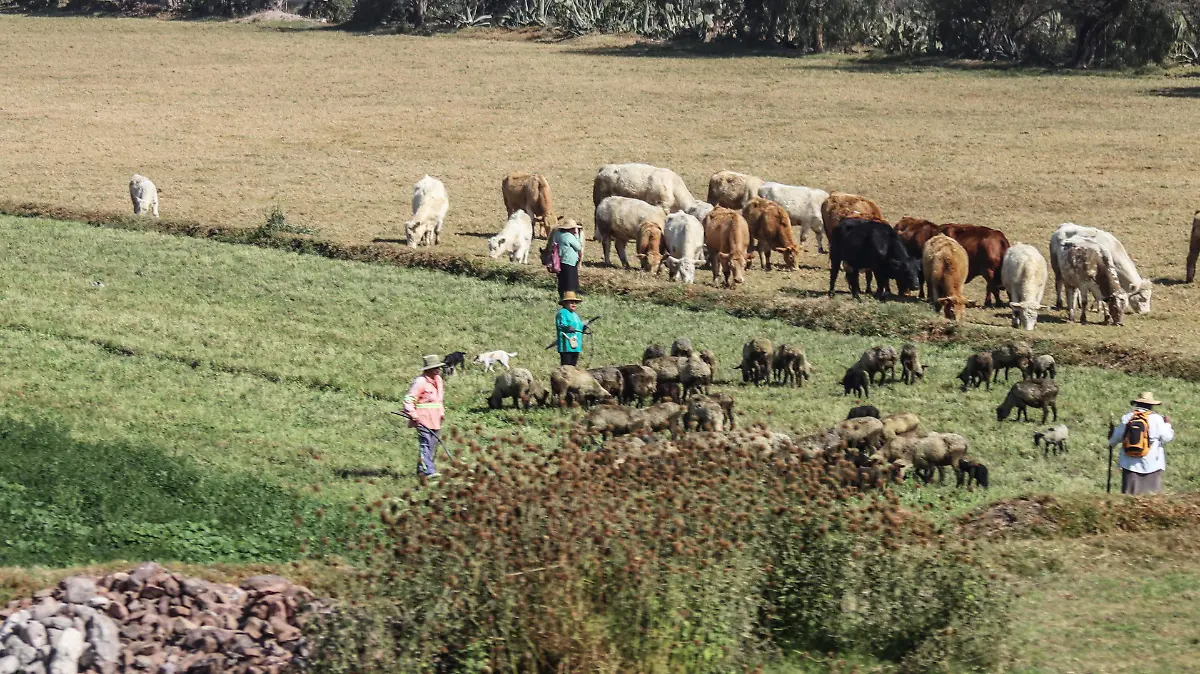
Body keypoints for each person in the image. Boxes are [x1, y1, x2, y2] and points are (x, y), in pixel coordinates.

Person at [1108, 391, 1174, 495]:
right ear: (1151, 405)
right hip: (1153, 465)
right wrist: (1167, 425)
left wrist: (1111, 438)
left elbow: (1114, 440)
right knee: (1152, 500)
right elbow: (1167, 437)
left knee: (1129, 499)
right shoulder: (1157, 419)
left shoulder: (1128, 417)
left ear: (1137, 404)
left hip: (1130, 466)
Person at [403, 354, 446, 479]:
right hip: (423, 419)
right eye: (435, 368)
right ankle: (429, 471)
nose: (438, 370)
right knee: (426, 444)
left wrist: (441, 413)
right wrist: (413, 415)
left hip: (436, 419)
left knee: (432, 445)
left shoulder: (438, 381)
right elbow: (409, 399)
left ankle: (423, 470)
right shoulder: (420, 382)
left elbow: (439, 400)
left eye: (438, 368)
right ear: (428, 369)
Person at [552, 219, 583, 294]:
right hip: (569, 261)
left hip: (559, 260)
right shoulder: (569, 236)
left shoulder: (557, 234)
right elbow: (578, 246)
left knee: (562, 280)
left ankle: (562, 294)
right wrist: (577, 237)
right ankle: (570, 295)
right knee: (570, 280)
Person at [555, 291, 586, 367]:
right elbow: (561, 325)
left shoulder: (575, 315)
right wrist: (567, 328)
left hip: (576, 345)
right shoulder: (562, 312)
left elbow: (579, 327)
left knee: (573, 368)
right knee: (566, 368)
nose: (574, 304)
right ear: (565, 303)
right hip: (566, 345)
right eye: (571, 302)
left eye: (575, 302)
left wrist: (583, 328)